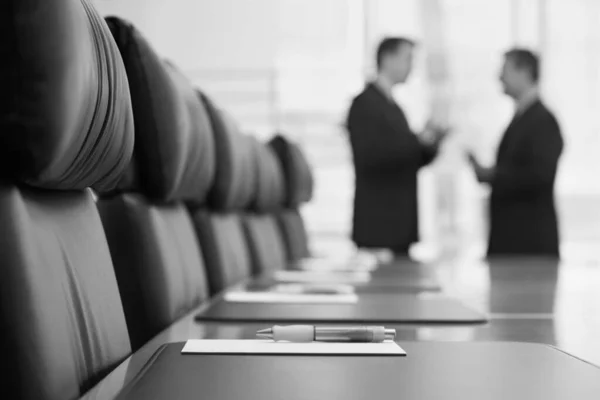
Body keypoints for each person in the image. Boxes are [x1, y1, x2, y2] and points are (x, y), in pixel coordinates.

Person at [346, 37, 447, 258]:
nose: (412, 66)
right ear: (387, 59)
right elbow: (371, 157)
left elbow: (408, 160)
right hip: (379, 228)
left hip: (399, 227)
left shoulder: (395, 107)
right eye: (407, 58)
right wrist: (416, 141)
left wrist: (431, 143)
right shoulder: (364, 104)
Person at [468, 48, 563, 258]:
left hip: (529, 244)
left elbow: (540, 175)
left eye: (505, 70)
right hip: (513, 241)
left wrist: (493, 175)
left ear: (525, 72)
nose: (499, 77)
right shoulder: (523, 117)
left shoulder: (542, 121)